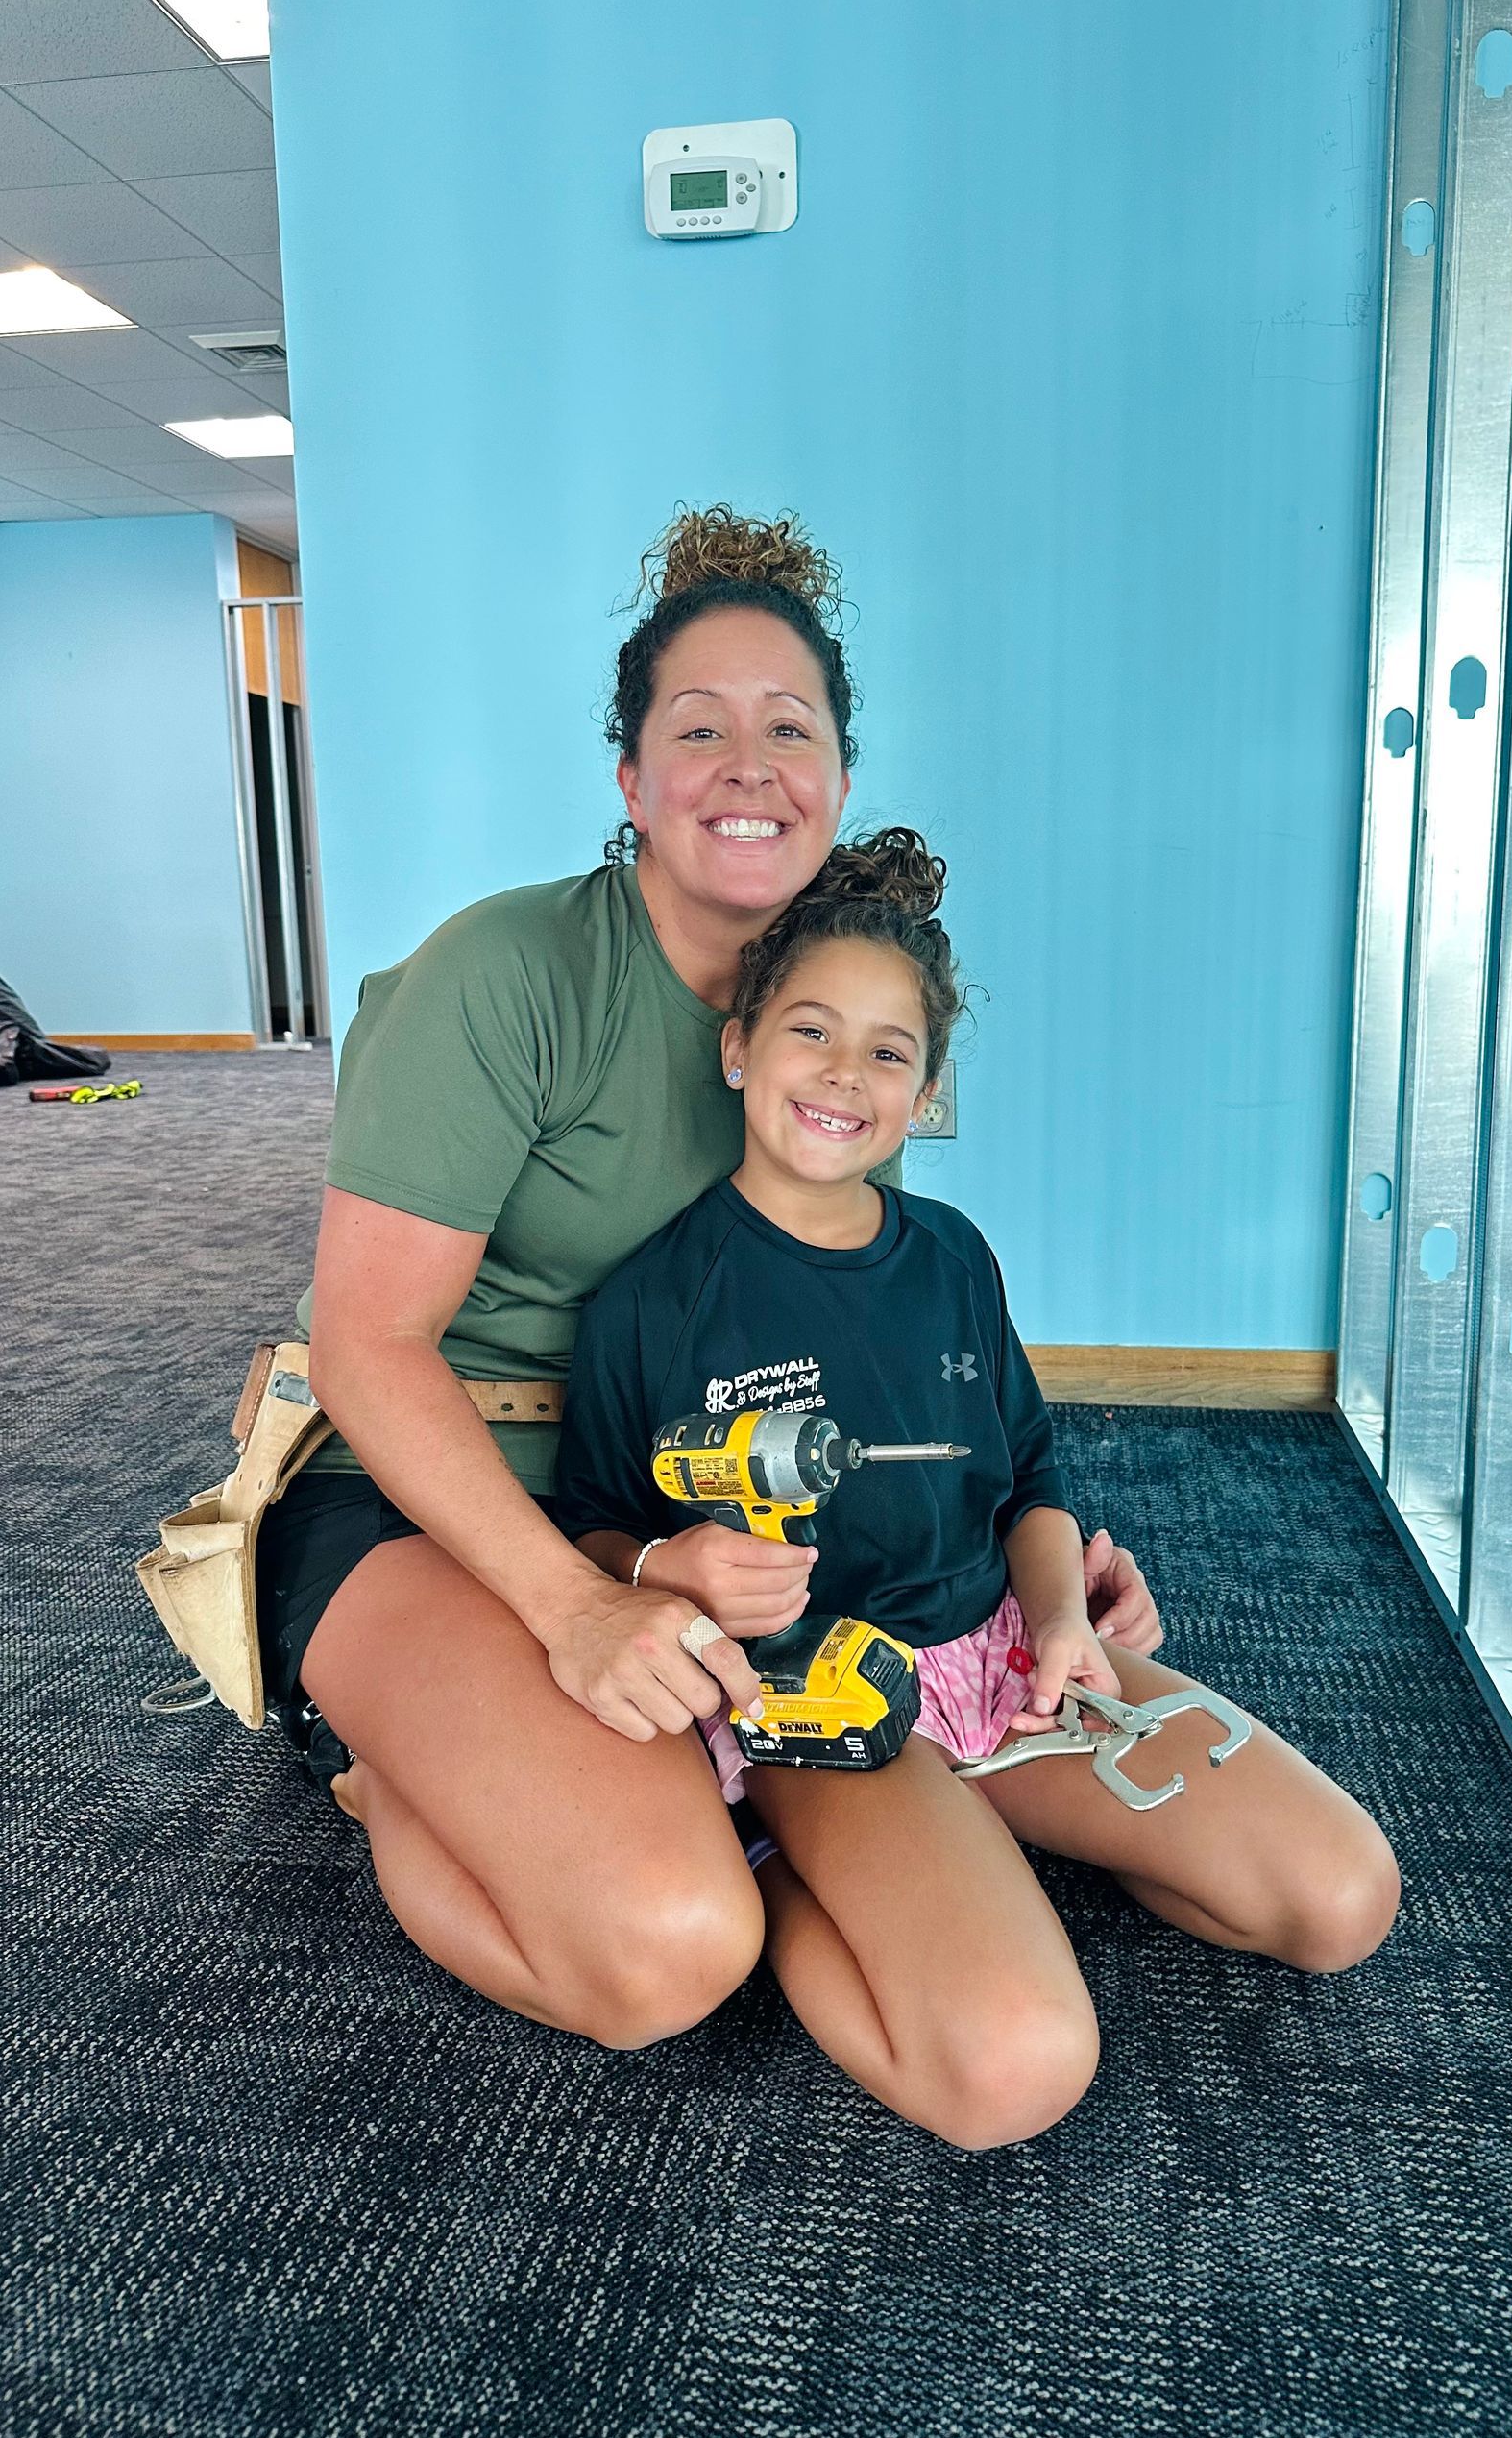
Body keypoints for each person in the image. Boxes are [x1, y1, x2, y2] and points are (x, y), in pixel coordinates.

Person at [255, 507, 1162, 2059]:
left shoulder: (832, 1028)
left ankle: (574, 1759)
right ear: (631, 781)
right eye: (699, 728)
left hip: (680, 1509)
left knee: (738, 1865)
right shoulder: (507, 976)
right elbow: (367, 1344)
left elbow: (859, 1344)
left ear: (839, 781)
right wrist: (572, 1610)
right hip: (431, 1494)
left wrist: (1019, 1557)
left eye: (788, 728)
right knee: (674, 1952)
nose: (749, 765)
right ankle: (387, 1764)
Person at [548, 835, 1402, 2148]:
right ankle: (779, 1871)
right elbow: (594, 1530)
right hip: (810, 1703)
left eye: (890, 1051)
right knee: (1015, 2071)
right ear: (736, 1046)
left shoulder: (953, 1258)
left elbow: (1032, 1477)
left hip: (1000, 1662)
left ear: (926, 1089)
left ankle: (977, 1819)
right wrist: (669, 1573)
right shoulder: (655, 1302)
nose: (846, 1074)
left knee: (1342, 1900)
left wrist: (1059, 1621)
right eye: (811, 1031)